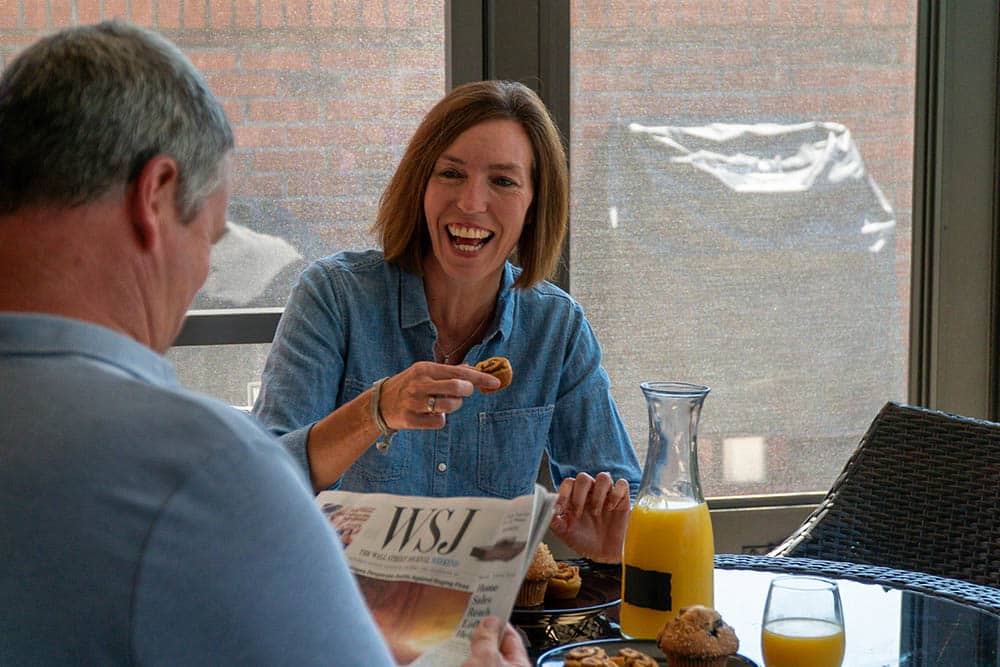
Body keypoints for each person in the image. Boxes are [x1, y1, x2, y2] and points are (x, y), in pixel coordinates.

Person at [0, 22, 527, 666]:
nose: (200, 277)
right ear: (155, 195)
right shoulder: (205, 473)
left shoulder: (555, 322)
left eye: (504, 182)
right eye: (212, 238)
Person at [253, 80, 642, 563]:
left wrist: (610, 543)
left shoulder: (555, 326)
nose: (471, 203)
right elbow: (262, 482)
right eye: (451, 173)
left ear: (533, 205)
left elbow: (629, 504)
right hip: (349, 618)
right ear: (421, 186)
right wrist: (376, 410)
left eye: (503, 181)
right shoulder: (334, 296)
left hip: (493, 625)